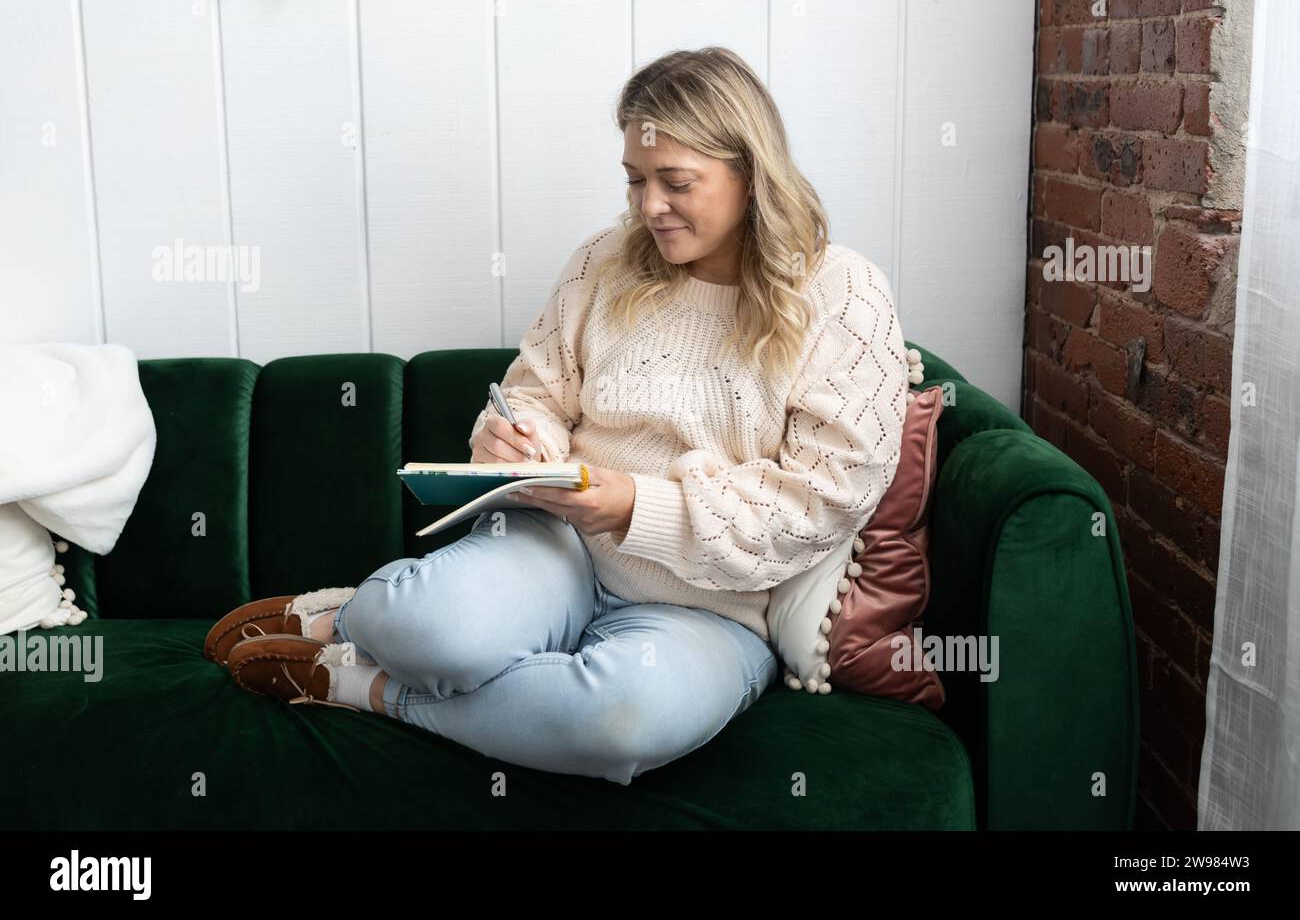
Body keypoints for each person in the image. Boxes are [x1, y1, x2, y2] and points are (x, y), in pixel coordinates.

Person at [204, 46, 909, 786]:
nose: (649, 208)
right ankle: (350, 619)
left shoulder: (842, 295)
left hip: (712, 609)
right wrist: (522, 437)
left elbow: (824, 499)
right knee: (430, 626)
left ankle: (366, 684)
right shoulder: (606, 261)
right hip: (557, 550)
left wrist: (635, 504)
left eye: (677, 183)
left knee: (620, 723)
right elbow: (535, 390)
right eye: (636, 181)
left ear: (751, 172)